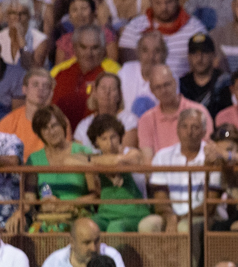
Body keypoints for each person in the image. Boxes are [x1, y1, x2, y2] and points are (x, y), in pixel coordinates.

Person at [22, 105, 98, 233]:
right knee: (34, 231)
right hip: (47, 216)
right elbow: (30, 199)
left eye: (54, 125)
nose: (51, 131)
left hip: (77, 214)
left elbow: (95, 196)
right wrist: (42, 204)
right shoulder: (34, 159)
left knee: (60, 227)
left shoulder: (83, 152)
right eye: (45, 128)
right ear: (39, 133)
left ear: (63, 125)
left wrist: (66, 204)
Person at [148, 108, 220, 232]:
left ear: (204, 132)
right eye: (184, 127)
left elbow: (210, 206)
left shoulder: (213, 157)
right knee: (148, 225)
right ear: (177, 129)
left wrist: (181, 218)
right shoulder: (162, 156)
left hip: (202, 216)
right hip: (170, 215)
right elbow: (160, 201)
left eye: (195, 127)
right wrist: (171, 218)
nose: (189, 132)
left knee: (184, 227)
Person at [118, 0, 207, 78]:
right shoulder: (135, 27)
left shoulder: (195, 29)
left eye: (169, 2)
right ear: (150, 1)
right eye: (158, 3)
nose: (164, 7)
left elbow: (203, 65)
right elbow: (130, 66)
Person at [87, 113, 161, 232]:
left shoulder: (131, 153)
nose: (110, 143)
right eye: (103, 139)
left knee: (115, 228)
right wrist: (99, 163)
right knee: (87, 225)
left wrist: (94, 162)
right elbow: (69, 161)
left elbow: (118, 161)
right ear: (96, 142)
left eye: (113, 137)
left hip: (133, 213)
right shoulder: (95, 158)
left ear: (120, 136)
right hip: (105, 214)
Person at [31, 216, 131, 267]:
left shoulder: (111, 256)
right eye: (87, 243)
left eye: (96, 241)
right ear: (72, 242)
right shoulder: (54, 261)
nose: (93, 248)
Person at [137, 64, 215, 159]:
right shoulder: (146, 120)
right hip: (160, 173)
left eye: (167, 84)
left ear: (175, 83)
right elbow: (147, 160)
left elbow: (208, 149)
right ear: (152, 90)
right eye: (158, 87)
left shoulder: (199, 111)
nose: (164, 90)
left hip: (195, 170)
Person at [51, 25, 119, 133]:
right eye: (83, 47)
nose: (89, 53)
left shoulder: (114, 73)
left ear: (103, 48)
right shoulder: (58, 72)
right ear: (74, 47)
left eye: (95, 48)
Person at [53, 0, 119, 65]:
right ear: (70, 16)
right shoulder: (64, 41)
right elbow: (59, 71)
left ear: (93, 12)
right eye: (74, 10)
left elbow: (112, 65)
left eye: (84, 8)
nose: (79, 14)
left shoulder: (106, 35)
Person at [179, 32, 231, 120]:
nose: (199, 58)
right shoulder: (182, 85)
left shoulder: (224, 82)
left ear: (213, 55)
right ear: (189, 57)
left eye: (204, 52)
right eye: (195, 53)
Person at [0, 68, 53, 155]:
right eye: (35, 84)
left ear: (50, 93)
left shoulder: (59, 122)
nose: (40, 89)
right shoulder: (8, 123)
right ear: (24, 89)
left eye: (45, 86)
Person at [118, 30, 168, 118]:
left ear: (164, 55)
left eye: (157, 51)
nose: (151, 57)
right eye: (145, 51)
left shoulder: (170, 78)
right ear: (138, 53)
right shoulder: (126, 71)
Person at [0, 0, 50, 69]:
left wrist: (22, 41)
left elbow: (33, 71)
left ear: (29, 16)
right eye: (13, 13)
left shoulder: (40, 40)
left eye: (23, 13)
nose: (17, 17)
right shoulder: (1, 38)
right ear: (6, 16)